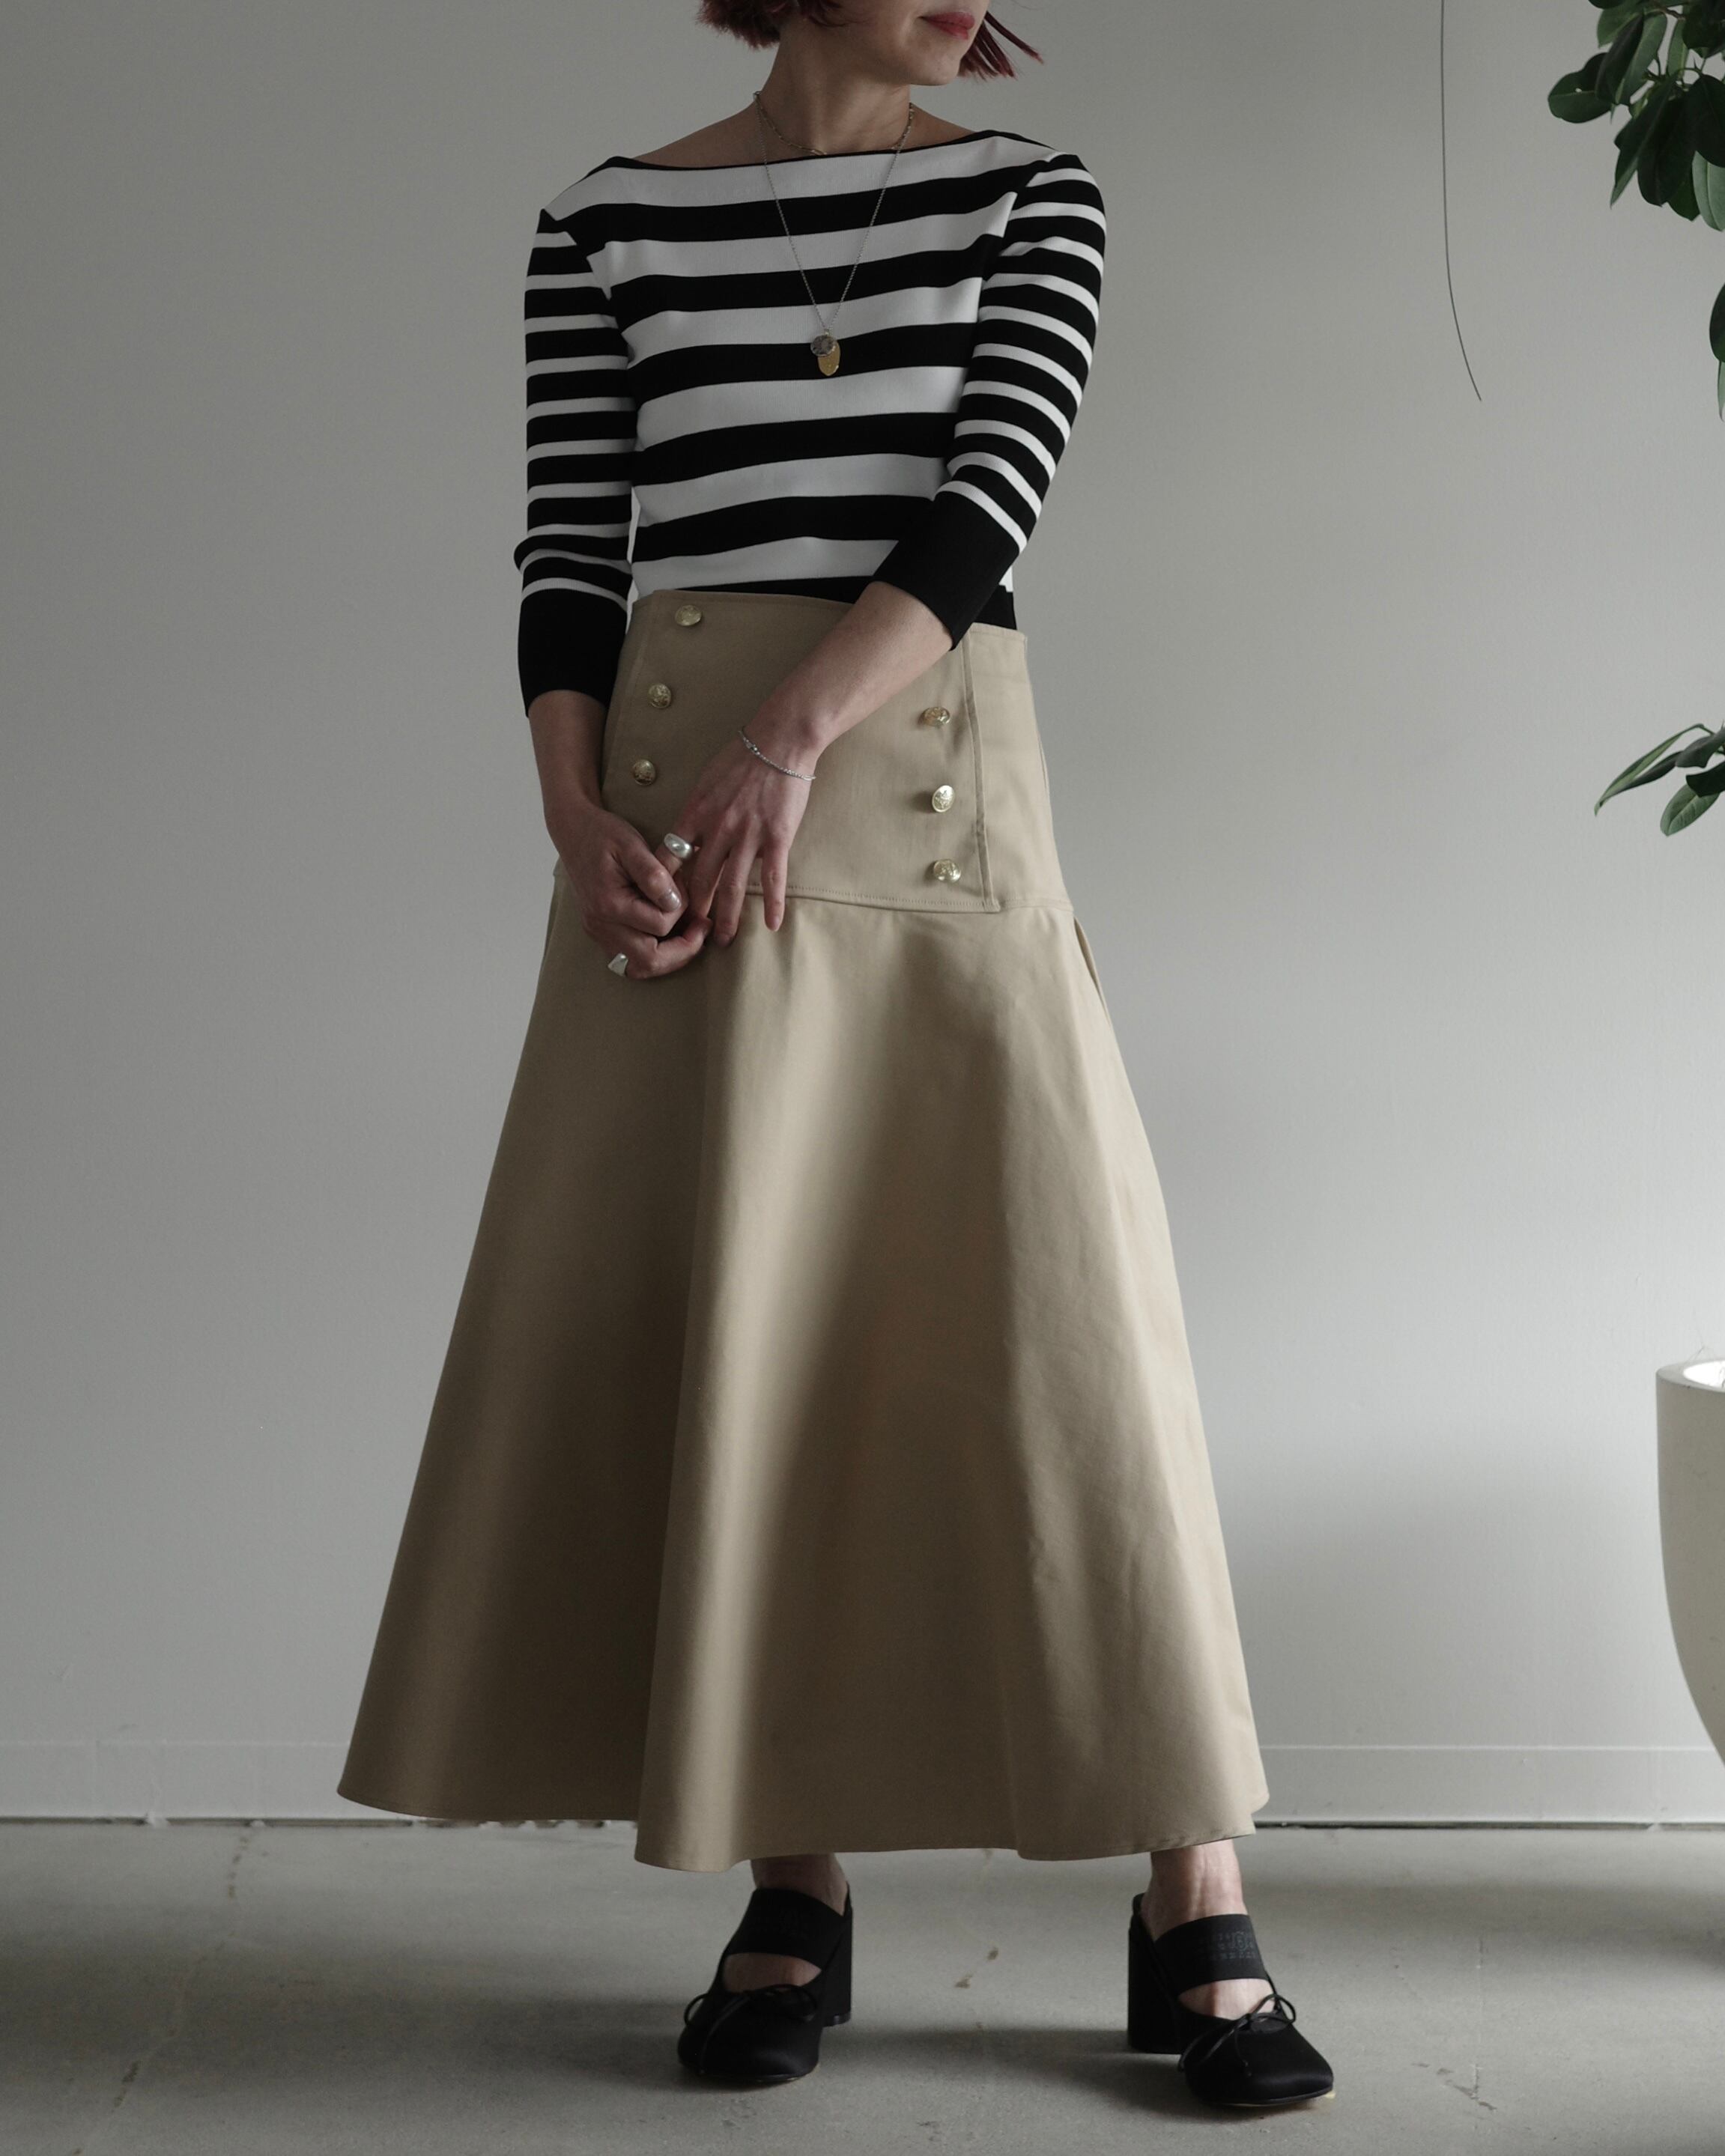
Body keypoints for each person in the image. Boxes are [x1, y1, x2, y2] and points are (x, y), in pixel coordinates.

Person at [337, 0, 1334, 2112]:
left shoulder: (1029, 198)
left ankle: (1195, 1888)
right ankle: (794, 1885)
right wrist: (571, 815)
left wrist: (794, 739)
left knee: (1069, 1338)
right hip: (676, 830)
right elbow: (573, 543)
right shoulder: (607, 221)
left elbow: (990, 504)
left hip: (923, 785)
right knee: (755, 1330)